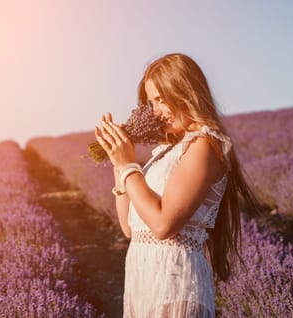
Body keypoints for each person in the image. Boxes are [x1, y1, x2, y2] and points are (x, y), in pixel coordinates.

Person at [94, 53, 260, 317]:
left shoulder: (204, 145)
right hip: (144, 283)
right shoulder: (164, 151)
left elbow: (162, 225)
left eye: (161, 99)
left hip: (176, 286)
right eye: (151, 102)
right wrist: (118, 162)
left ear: (186, 90)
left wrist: (128, 166)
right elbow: (130, 227)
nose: (156, 111)